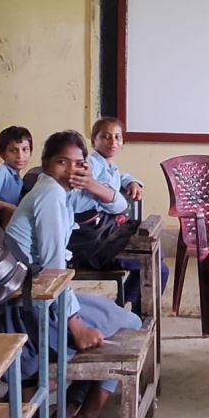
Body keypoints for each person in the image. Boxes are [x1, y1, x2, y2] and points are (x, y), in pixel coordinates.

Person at [5, 130, 141, 418]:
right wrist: (76, 325)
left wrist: (90, 182)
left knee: (125, 324)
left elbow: (119, 203)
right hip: (31, 302)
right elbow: (53, 270)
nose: (69, 170)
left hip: (44, 293)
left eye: (77, 163)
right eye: (61, 162)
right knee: (126, 327)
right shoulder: (50, 194)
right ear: (46, 164)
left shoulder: (66, 190)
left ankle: (68, 413)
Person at [74, 118, 169, 309]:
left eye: (117, 137)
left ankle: (125, 309)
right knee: (156, 263)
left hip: (104, 235)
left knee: (158, 263)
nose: (113, 142)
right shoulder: (90, 164)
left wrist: (131, 182)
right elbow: (110, 200)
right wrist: (111, 194)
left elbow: (119, 176)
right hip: (93, 243)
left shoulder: (108, 165)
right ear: (94, 141)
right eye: (106, 137)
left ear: (123, 142)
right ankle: (131, 311)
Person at [0, 126, 33, 205]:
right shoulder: (0, 173)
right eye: (13, 150)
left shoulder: (17, 177)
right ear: (2, 154)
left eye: (25, 149)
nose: (20, 156)